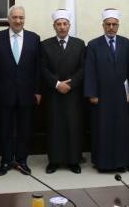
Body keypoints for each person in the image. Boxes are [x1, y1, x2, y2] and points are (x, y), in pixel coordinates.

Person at [0, 5, 42, 176]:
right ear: (8, 19)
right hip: (4, 93)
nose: (18, 21)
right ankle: (6, 160)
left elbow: (38, 68)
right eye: (15, 17)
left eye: (21, 17)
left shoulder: (34, 38)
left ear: (24, 19)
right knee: (4, 128)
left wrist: (37, 90)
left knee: (24, 129)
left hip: (27, 93)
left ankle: (21, 160)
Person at [84, 8, 129, 173]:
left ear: (118, 25)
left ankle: (120, 162)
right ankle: (102, 163)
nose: (111, 27)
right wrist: (92, 94)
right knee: (102, 129)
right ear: (103, 25)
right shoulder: (93, 45)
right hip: (101, 95)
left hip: (121, 95)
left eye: (114, 24)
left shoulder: (126, 43)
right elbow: (90, 71)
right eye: (108, 24)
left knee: (120, 128)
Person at [41, 9, 85, 174]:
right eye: (58, 24)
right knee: (55, 127)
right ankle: (54, 161)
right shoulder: (45, 45)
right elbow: (43, 68)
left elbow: (83, 68)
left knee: (73, 126)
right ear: (54, 26)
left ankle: (74, 161)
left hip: (73, 94)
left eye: (64, 24)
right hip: (54, 94)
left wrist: (70, 84)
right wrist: (57, 84)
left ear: (69, 25)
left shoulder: (79, 44)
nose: (62, 27)